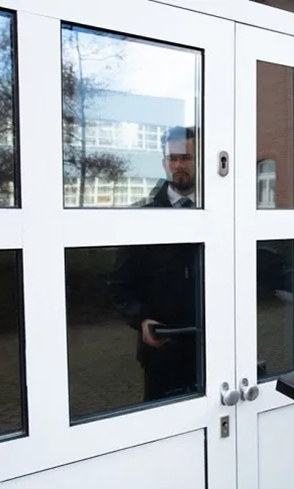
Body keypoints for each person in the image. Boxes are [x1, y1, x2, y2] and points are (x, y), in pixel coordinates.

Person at [108, 125, 203, 402]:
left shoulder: (221, 210)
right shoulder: (143, 217)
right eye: (172, 159)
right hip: (163, 351)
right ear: (164, 163)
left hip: (213, 346)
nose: (178, 165)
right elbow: (119, 286)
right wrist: (141, 320)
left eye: (185, 158)